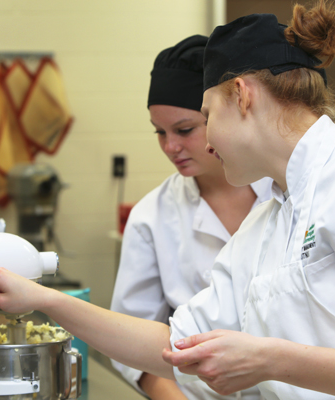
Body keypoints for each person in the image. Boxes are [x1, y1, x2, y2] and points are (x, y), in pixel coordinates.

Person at [0, 1, 335, 398]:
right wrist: (42, 300)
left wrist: (270, 360)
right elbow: (175, 344)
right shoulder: (269, 220)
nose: (200, 140)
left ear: (242, 95)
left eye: (203, 115)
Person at [110, 35, 271, 400]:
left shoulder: (284, 193)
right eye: (160, 133)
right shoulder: (152, 217)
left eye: (184, 130)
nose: (170, 147)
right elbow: (132, 345)